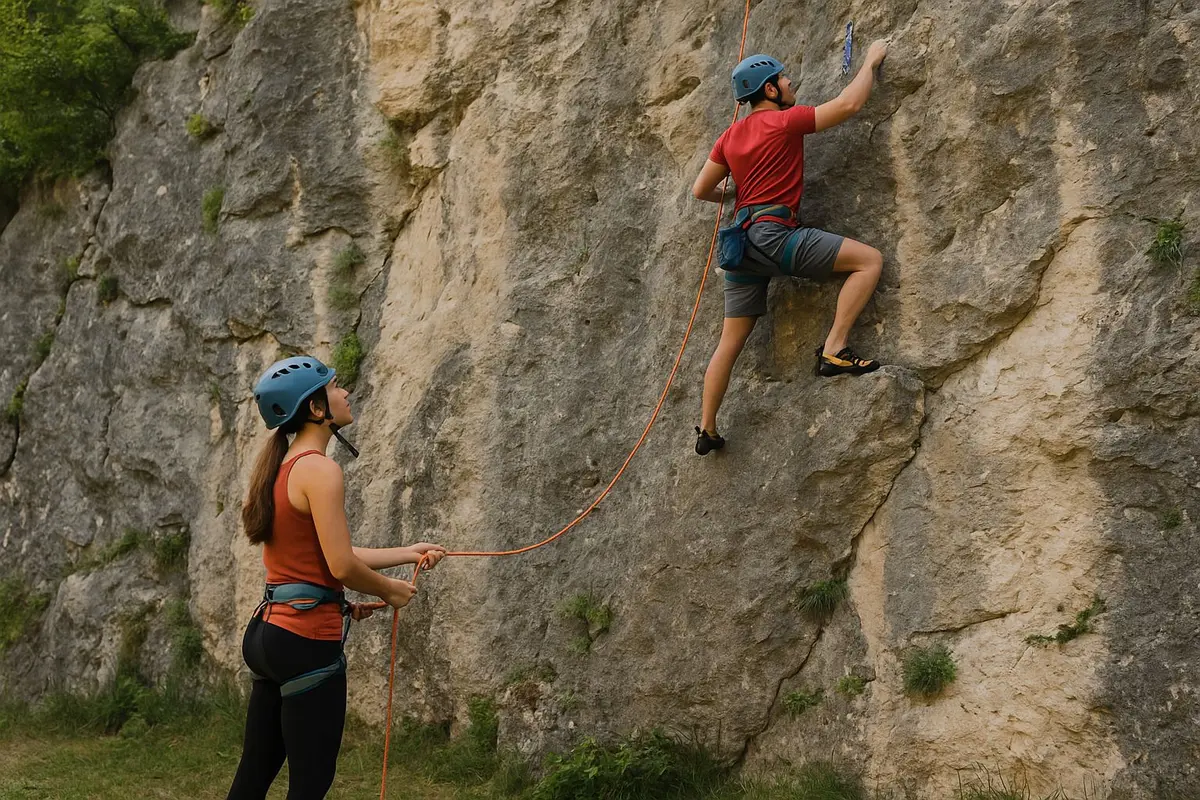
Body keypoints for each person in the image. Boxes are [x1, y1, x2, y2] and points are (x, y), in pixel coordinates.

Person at [226, 355, 447, 800]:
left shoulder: (284, 466)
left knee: (251, 780)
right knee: (309, 785)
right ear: (316, 410)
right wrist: (391, 590)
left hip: (269, 637)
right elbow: (342, 568)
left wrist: (408, 552)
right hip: (305, 640)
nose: (344, 392)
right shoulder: (322, 470)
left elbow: (331, 555)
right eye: (334, 387)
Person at [691, 42, 890, 456]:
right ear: (769, 91)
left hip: (741, 244)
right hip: (776, 235)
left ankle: (707, 429)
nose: (790, 82)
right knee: (869, 261)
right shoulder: (784, 122)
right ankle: (834, 349)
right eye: (783, 78)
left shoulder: (728, 137)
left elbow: (701, 189)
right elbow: (849, 104)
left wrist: (736, 198)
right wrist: (871, 59)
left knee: (730, 340)